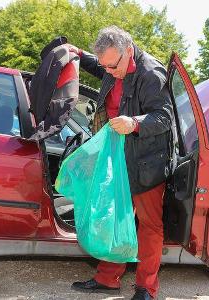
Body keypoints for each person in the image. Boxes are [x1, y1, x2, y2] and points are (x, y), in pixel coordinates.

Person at [69, 25, 173, 300]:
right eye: (105, 66)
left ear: (129, 51)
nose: (109, 71)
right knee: (116, 218)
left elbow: (164, 117)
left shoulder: (151, 73)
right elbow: (101, 65)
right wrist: (77, 53)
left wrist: (134, 122)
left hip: (146, 161)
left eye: (113, 66)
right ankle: (108, 279)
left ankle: (146, 289)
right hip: (118, 156)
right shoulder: (113, 62)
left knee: (149, 225)